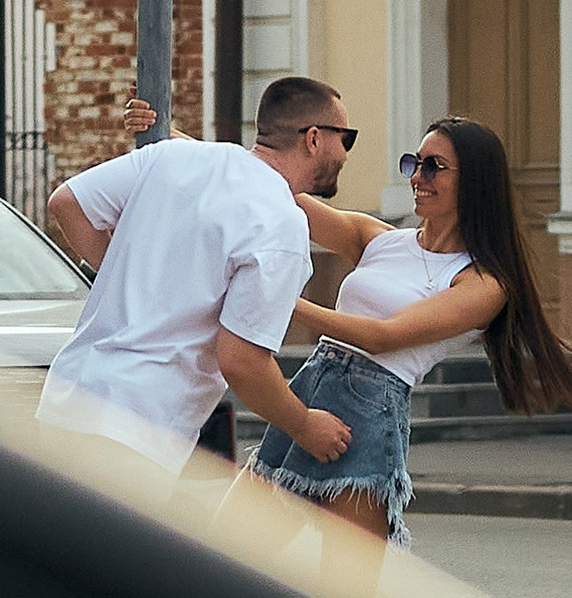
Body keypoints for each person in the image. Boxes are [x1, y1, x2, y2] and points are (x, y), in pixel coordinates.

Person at [247, 114, 572, 547]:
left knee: (347, 586)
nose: (417, 177)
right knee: (235, 555)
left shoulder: (483, 284)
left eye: (434, 166)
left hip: (368, 414)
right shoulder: (380, 239)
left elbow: (382, 336)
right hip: (310, 390)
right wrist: (169, 133)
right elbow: (267, 189)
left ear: (476, 182)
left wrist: (276, 299)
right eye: (414, 163)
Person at [40, 78, 359, 482]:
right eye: (345, 139)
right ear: (313, 139)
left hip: (66, 400)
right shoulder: (281, 224)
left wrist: (123, 273)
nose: (347, 155)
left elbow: (67, 204)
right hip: (139, 426)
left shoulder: (173, 158)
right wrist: (304, 425)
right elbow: (242, 362)